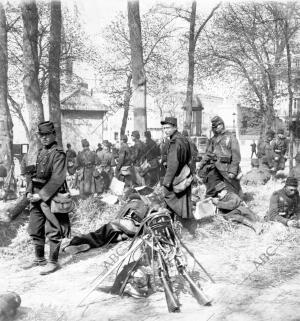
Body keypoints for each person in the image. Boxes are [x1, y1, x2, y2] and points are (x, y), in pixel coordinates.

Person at [24, 121, 70, 275]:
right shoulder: (41, 151)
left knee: (53, 228)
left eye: (46, 135)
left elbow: (58, 178)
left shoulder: (58, 153)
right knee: (35, 227)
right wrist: (29, 192)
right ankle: (39, 258)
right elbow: (34, 174)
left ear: (53, 135)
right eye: (41, 135)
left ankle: (53, 261)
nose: (43, 138)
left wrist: (41, 195)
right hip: (36, 194)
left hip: (51, 195)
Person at [199, 116, 243, 197]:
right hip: (214, 167)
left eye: (216, 127)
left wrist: (233, 171)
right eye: (213, 127)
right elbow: (208, 154)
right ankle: (213, 203)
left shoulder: (231, 138)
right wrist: (201, 164)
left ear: (221, 125)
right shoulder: (213, 139)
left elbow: (236, 156)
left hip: (227, 168)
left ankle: (238, 203)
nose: (215, 129)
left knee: (233, 190)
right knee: (211, 186)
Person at [161, 117, 193, 223]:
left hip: (177, 175)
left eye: (168, 127)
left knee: (168, 195)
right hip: (184, 173)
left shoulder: (175, 141)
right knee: (183, 201)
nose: (166, 130)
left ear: (175, 127)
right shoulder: (183, 139)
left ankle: (175, 223)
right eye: (164, 128)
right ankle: (182, 223)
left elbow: (173, 164)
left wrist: (167, 181)